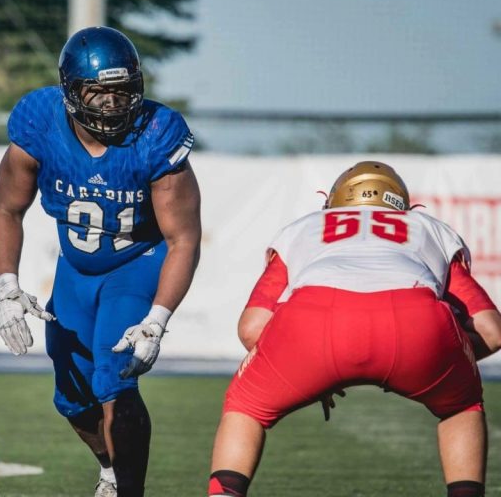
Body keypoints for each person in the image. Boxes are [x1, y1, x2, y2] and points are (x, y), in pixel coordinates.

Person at [0, 26, 202, 497]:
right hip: (75, 270)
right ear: (70, 91)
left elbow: (183, 238)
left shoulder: (157, 133)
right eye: (98, 91)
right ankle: (110, 470)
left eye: (122, 90)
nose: (111, 102)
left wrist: (156, 321)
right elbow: (6, 209)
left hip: (135, 261)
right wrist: (6, 287)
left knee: (113, 379)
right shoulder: (40, 122)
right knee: (71, 398)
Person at [207, 161, 501, 497]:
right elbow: (492, 331)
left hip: (313, 317)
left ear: (335, 200)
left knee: (246, 408)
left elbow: (252, 327)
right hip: (414, 317)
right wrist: (428, 362)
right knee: (461, 407)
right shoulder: (429, 228)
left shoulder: (304, 227)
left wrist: (315, 368)